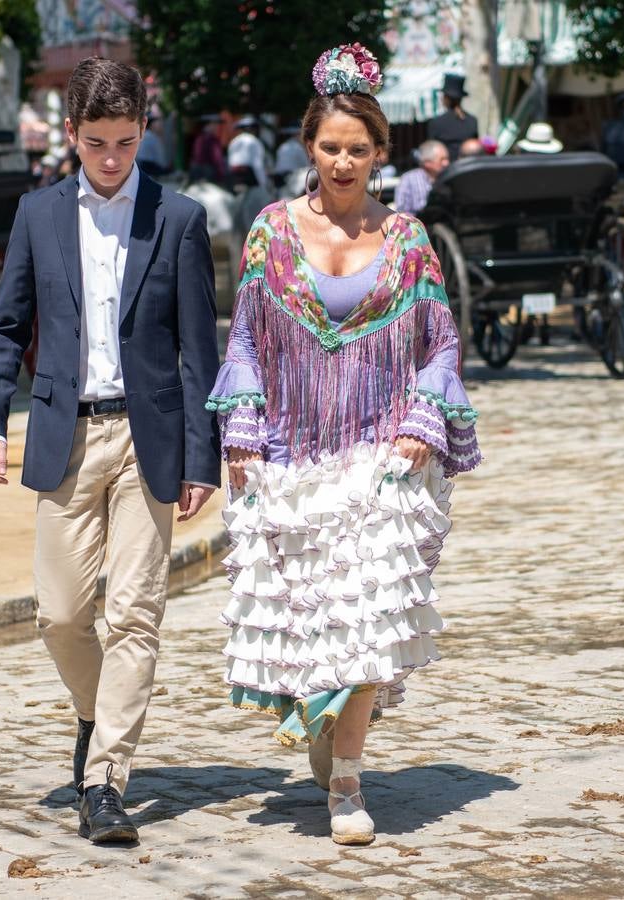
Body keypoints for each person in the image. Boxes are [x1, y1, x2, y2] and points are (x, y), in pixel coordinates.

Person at [206, 43, 481, 846]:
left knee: (364, 622)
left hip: (378, 455)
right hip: (291, 454)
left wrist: (422, 425)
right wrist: (243, 433)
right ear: (309, 148)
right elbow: (247, 338)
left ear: (379, 152)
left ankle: (349, 786)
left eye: (359, 148)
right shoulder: (268, 233)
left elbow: (441, 343)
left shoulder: (409, 238)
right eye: (330, 146)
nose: (344, 160)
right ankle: (330, 741)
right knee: (312, 622)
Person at [0, 57, 221, 844]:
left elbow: (196, 347)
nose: (112, 159)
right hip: (64, 435)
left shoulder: (177, 218)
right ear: (71, 135)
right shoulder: (37, 215)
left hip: (152, 437)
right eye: (97, 143)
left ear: (144, 130)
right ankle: (93, 710)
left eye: (126, 141)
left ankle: (107, 779)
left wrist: (201, 458)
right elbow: (7, 324)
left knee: (135, 613)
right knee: (61, 614)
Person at [427, 74, 479, 162]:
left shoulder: (437, 123)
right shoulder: (472, 121)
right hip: (468, 167)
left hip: (447, 171)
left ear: (446, 98)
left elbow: (432, 151)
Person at [394, 139, 449, 214]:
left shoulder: (449, 178)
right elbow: (401, 210)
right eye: (442, 159)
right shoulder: (409, 179)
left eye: (447, 159)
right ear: (427, 163)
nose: (446, 163)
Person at [227, 114, 269, 190]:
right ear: (253, 129)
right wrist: (263, 182)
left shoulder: (234, 141)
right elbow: (257, 164)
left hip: (233, 176)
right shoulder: (254, 141)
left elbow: (230, 161)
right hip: (249, 177)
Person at [190, 113, 226, 183]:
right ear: (209, 124)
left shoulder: (199, 138)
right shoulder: (211, 139)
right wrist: (221, 173)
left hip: (198, 174)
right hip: (209, 175)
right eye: (215, 124)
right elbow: (217, 158)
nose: (217, 127)